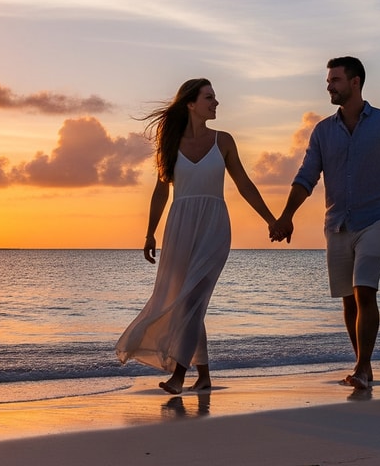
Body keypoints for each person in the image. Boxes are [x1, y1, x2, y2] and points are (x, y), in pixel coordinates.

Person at [117, 78, 277, 394]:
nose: (216, 103)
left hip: (214, 227)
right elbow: (161, 192)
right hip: (179, 228)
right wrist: (149, 233)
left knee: (192, 298)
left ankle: (178, 376)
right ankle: (203, 376)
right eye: (209, 98)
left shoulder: (224, 141)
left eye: (215, 97)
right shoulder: (171, 145)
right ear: (191, 104)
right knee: (191, 302)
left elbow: (244, 184)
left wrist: (271, 219)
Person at [269, 56, 380, 392]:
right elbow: (306, 177)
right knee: (349, 299)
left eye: (335, 80)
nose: (328, 86)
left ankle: (363, 368)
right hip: (336, 224)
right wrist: (286, 216)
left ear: (355, 82)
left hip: (376, 219)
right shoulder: (322, 131)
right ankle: (362, 364)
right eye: (328, 80)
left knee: (365, 290)